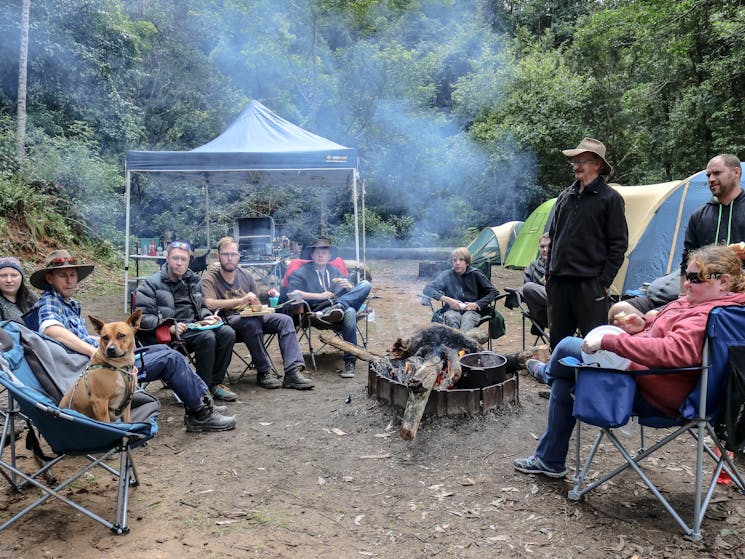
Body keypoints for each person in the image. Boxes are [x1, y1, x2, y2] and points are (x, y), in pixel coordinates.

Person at [517, 244, 745, 478]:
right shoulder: (706, 305)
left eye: (696, 278)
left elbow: (672, 351)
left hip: (660, 392)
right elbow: (670, 336)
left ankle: (546, 374)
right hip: (649, 377)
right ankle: (549, 460)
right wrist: (644, 326)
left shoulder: (708, 314)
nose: (687, 283)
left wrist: (611, 343)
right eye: (687, 275)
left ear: (724, 282)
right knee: (566, 377)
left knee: (566, 347)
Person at [27, 249, 235, 433]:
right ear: (49, 278)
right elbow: (52, 329)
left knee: (166, 352)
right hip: (98, 371)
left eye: (72, 275)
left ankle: (201, 400)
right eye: (63, 275)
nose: (70, 280)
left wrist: (97, 340)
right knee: (170, 358)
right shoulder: (49, 303)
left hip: (113, 360)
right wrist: (93, 351)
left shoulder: (68, 303)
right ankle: (199, 414)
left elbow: (76, 336)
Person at [608, 153, 745, 322]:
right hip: (700, 291)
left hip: (736, 295)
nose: (711, 179)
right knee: (619, 310)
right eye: (708, 175)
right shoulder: (700, 216)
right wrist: (683, 296)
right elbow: (686, 261)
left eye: (717, 173)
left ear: (736, 173)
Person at [545, 137, 628, 350]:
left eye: (582, 161)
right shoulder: (565, 196)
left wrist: (602, 282)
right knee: (559, 343)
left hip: (589, 285)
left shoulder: (610, 199)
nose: (576, 166)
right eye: (574, 161)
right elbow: (552, 238)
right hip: (560, 283)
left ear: (598, 165)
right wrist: (550, 273)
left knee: (593, 344)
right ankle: (559, 383)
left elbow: (618, 244)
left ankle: (591, 383)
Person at [201, 237, 314, 390]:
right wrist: (241, 300)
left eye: (233, 254)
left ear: (238, 256)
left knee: (285, 320)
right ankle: (264, 371)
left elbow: (256, 304)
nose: (229, 258)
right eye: (225, 254)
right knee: (251, 322)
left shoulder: (246, 275)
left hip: (251, 316)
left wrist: (257, 305)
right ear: (218, 255)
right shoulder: (210, 277)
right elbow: (209, 303)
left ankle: (292, 372)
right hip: (228, 320)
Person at [135, 240, 238, 402]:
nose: (179, 263)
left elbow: (200, 306)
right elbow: (141, 317)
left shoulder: (193, 280)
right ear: (167, 258)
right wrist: (168, 326)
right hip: (167, 336)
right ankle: (200, 393)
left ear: (189, 261)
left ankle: (215, 383)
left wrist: (206, 316)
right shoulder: (151, 284)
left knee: (227, 332)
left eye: (183, 259)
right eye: (175, 258)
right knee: (207, 337)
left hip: (193, 327)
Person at [286, 238, 372, 378]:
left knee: (365, 285)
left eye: (324, 253)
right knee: (349, 312)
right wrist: (320, 296)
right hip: (319, 312)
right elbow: (292, 294)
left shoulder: (336, 272)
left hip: (339, 307)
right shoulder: (301, 273)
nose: (321, 255)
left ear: (329, 256)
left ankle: (339, 307)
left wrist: (350, 287)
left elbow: (353, 295)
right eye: (318, 252)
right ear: (312, 255)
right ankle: (350, 362)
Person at [423, 246, 499, 334]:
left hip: (472, 311)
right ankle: (460, 345)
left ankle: (460, 345)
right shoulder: (447, 275)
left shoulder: (475, 274)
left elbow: (494, 292)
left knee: (467, 320)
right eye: (454, 260)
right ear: (452, 262)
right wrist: (448, 300)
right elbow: (427, 289)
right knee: (452, 319)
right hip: (451, 310)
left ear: (467, 262)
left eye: (461, 260)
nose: (457, 263)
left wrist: (477, 304)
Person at [521, 234, 550, 331]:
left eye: (548, 246)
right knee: (528, 288)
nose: (545, 249)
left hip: (560, 308)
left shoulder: (560, 264)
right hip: (541, 312)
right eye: (542, 246)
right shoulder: (532, 267)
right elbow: (527, 293)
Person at [0, 257, 37, 323]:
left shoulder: (32, 297)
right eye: (3, 276)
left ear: (21, 277)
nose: (9, 280)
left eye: (14, 275)